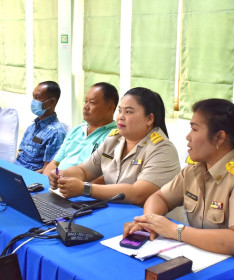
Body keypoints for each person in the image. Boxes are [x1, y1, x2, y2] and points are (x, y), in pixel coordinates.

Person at [123, 98, 234, 257]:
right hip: (204, 255)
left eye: (194, 129)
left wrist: (175, 231)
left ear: (219, 137)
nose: (188, 137)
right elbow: (160, 198)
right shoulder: (194, 169)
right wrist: (149, 222)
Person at [48, 87, 181, 205]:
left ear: (149, 119)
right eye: (120, 111)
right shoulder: (114, 139)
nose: (120, 117)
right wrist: (62, 175)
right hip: (116, 210)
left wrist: (85, 189)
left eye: (128, 112)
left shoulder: (162, 150)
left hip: (150, 223)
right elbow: (84, 171)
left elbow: (138, 194)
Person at [42, 82, 119, 176]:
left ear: (109, 108)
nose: (85, 107)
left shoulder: (114, 136)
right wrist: (51, 178)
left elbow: (104, 178)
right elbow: (54, 163)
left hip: (79, 187)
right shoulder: (76, 130)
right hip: (56, 184)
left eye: (92, 102)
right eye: (85, 101)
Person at [14, 81, 66, 173]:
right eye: (33, 96)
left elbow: (48, 170)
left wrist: (24, 176)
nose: (33, 101)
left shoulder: (56, 133)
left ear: (51, 102)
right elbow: (21, 155)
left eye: (37, 97)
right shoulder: (33, 126)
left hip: (30, 178)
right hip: (16, 171)